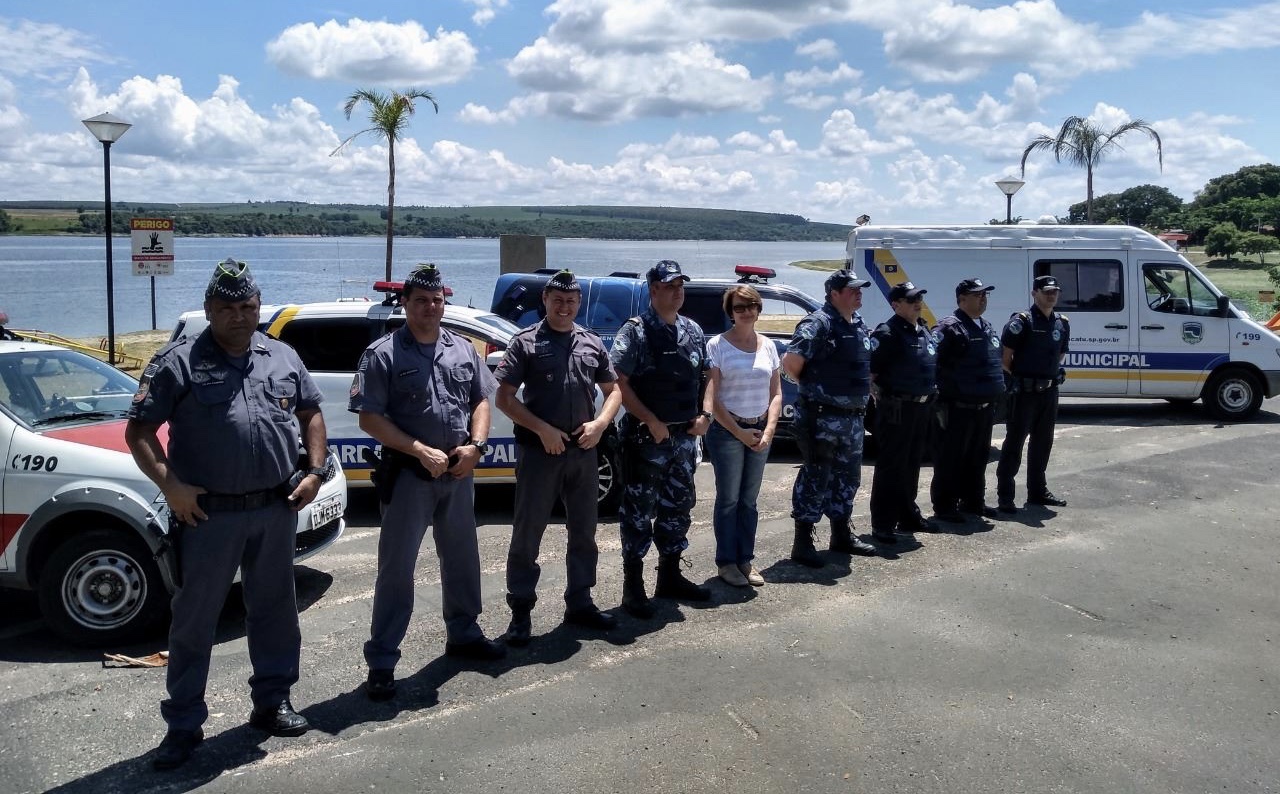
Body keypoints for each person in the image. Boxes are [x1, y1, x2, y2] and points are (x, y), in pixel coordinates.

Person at [125, 258, 329, 770]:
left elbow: (311, 412)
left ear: (258, 308)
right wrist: (171, 487)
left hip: (274, 509)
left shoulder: (280, 355)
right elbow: (140, 431)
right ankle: (184, 725)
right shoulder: (179, 361)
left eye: (248, 307)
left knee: (276, 611)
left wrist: (314, 469)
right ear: (210, 310)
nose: (240, 316)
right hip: (208, 517)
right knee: (194, 621)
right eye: (227, 308)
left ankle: (273, 701)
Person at [351, 263, 504, 703]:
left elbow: (480, 399)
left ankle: (464, 634)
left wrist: (476, 445)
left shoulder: (462, 349)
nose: (431, 307)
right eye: (422, 300)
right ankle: (382, 661)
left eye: (437, 300)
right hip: (409, 478)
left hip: (457, 473)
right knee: (396, 571)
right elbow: (369, 418)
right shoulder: (382, 354)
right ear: (406, 304)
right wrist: (418, 449)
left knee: (462, 560)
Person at [495, 269, 623, 645]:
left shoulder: (591, 342)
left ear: (578, 303)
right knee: (527, 536)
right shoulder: (526, 343)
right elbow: (504, 398)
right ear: (545, 302)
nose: (564, 307)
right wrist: (542, 430)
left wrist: (600, 424)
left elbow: (613, 390)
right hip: (541, 454)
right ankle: (520, 612)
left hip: (583, 452)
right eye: (557, 300)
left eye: (571, 301)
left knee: (584, 533)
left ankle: (580, 602)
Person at [610, 259, 714, 618]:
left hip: (685, 438)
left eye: (680, 285)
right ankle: (633, 587)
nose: (677, 291)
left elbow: (709, 374)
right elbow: (617, 383)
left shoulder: (693, 330)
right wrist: (651, 420)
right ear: (653, 289)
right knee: (638, 513)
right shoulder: (636, 331)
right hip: (647, 439)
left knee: (678, 508)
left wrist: (706, 414)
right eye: (670, 286)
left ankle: (669, 575)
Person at [782, 269, 879, 567]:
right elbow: (790, 364)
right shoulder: (819, 323)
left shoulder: (858, 324)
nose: (859, 292)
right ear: (834, 293)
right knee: (815, 477)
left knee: (848, 478)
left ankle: (841, 535)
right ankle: (803, 542)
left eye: (860, 288)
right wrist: (815, 390)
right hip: (821, 418)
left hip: (852, 419)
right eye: (852, 289)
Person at [704, 285, 782, 587]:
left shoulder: (769, 346)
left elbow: (776, 393)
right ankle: (726, 563)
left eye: (751, 306)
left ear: (759, 308)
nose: (746, 312)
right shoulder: (717, 346)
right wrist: (739, 432)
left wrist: (768, 431)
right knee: (729, 500)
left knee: (749, 502)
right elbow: (714, 398)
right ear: (730, 313)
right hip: (727, 432)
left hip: (761, 429)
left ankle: (745, 560)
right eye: (739, 307)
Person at [867, 282, 938, 542]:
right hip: (896, 409)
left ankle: (908, 514)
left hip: (921, 408)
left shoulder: (922, 330)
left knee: (911, 464)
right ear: (896, 305)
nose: (917, 302)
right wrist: (880, 399)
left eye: (919, 297)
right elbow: (870, 373)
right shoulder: (887, 333)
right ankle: (883, 523)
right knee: (891, 466)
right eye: (911, 300)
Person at [931, 278, 1005, 522]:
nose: (983, 299)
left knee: (978, 457)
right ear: (961, 299)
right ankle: (945, 506)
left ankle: (973, 502)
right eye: (977, 295)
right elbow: (930, 360)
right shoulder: (949, 328)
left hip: (983, 407)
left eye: (985, 294)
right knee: (951, 458)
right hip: (957, 407)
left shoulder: (985, 326)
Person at [996, 274, 1071, 513]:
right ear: (1034, 294)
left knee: (1043, 443)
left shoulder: (1062, 322)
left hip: (1049, 393)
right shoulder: (1022, 321)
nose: (1051, 295)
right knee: (1014, 444)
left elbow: (1059, 355)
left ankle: (1037, 492)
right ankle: (1005, 496)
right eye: (1046, 291)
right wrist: (1023, 380)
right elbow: (1005, 360)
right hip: (1024, 393)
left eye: (1054, 291)